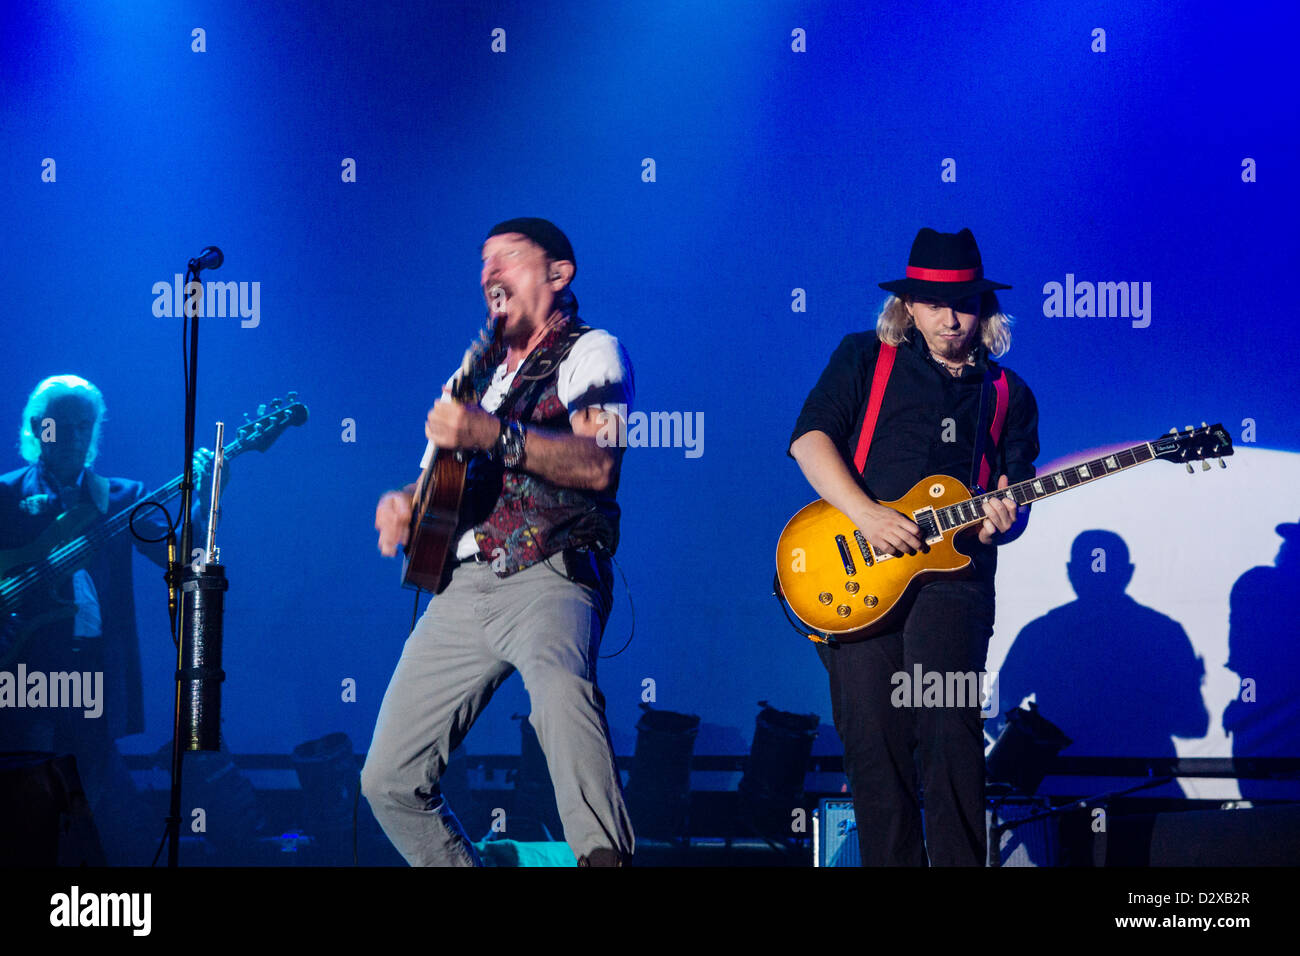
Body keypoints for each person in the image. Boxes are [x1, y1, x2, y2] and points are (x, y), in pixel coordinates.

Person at [363, 217, 635, 866]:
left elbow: (600, 463)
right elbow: (443, 477)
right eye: (484, 260)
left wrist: (495, 436)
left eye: (509, 257)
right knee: (388, 779)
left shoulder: (590, 349)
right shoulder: (474, 372)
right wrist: (407, 501)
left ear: (558, 274)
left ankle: (603, 859)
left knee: (560, 696)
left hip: (549, 570)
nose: (490, 272)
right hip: (461, 589)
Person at [788, 227, 1039, 866]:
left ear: (984, 308)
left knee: (949, 735)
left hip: (953, 581)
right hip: (859, 570)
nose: (949, 318)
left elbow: (1016, 500)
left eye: (963, 303)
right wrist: (865, 514)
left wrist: (1003, 520)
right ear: (908, 306)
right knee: (873, 747)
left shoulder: (1009, 393)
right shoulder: (863, 358)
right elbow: (809, 441)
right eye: (933, 303)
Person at [0, 374, 215, 864]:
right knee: (29, 801)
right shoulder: (5, 497)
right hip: (24, 670)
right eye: (64, 425)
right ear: (38, 427)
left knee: (104, 802)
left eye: (85, 426)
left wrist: (202, 504)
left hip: (93, 668)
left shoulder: (119, 496)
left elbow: (184, 562)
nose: (76, 436)